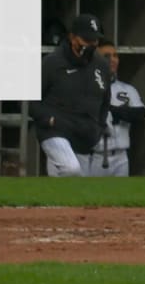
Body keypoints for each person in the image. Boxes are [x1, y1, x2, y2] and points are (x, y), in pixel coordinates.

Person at [30, 14, 113, 177]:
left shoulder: (101, 65)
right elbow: (30, 100)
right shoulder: (52, 62)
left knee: (72, 187)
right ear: (72, 37)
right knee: (71, 169)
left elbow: (105, 100)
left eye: (94, 41)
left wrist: (99, 126)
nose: (90, 45)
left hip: (83, 134)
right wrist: (48, 120)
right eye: (86, 40)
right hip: (55, 131)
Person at [76, 39, 145, 177]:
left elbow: (140, 114)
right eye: (107, 56)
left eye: (115, 55)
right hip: (93, 156)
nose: (113, 60)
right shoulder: (82, 88)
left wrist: (114, 111)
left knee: (119, 198)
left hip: (120, 157)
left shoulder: (127, 89)